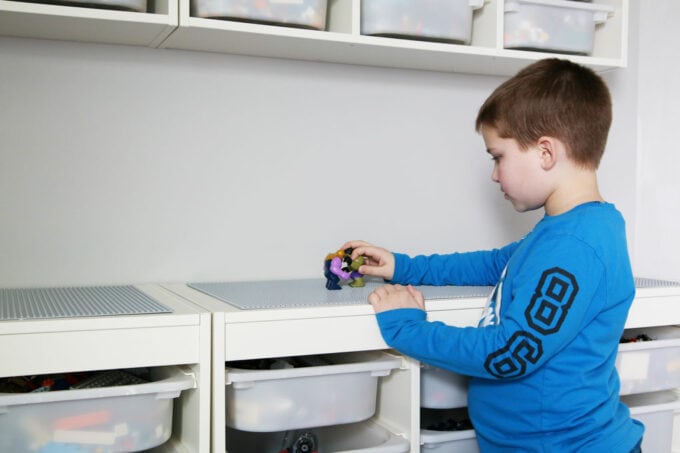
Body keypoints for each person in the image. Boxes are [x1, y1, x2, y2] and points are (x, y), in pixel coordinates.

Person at [343, 58, 644, 452]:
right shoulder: (566, 232)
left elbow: (508, 352)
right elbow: (495, 263)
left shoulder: (577, 246)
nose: (494, 174)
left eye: (498, 156)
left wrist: (408, 329)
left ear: (546, 152)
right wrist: (404, 266)